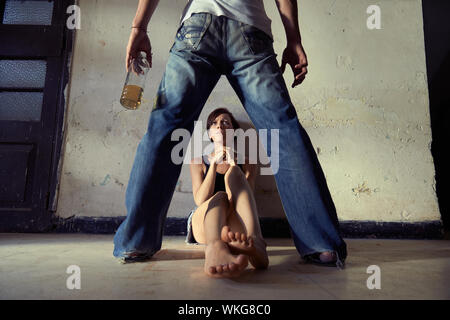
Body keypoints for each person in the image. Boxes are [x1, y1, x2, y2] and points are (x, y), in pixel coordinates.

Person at [113, 0, 347, 268]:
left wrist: (139, 27)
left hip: (197, 26)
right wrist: (293, 39)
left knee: (165, 128)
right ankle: (321, 245)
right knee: (283, 130)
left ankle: (135, 242)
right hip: (250, 27)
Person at [187, 107, 269, 277]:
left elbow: (247, 198)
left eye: (225, 122)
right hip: (205, 223)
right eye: (214, 123)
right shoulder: (197, 161)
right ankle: (215, 247)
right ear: (209, 134)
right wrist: (214, 166)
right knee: (220, 196)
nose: (220, 126)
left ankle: (256, 241)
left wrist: (233, 165)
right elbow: (200, 200)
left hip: (236, 227)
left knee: (234, 173)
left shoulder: (248, 162)